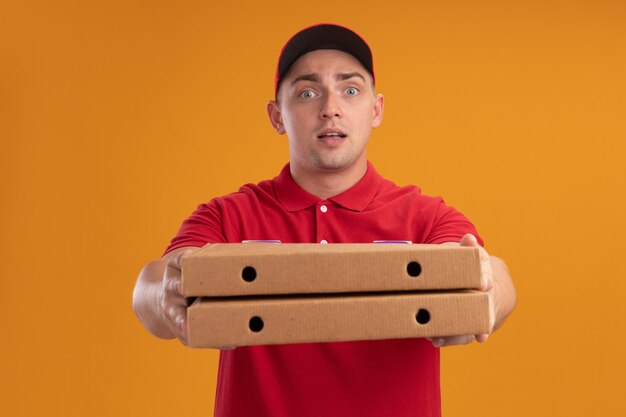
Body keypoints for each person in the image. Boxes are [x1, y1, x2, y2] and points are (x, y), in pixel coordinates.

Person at [132, 23, 516, 417]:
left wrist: (486, 291)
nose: (330, 107)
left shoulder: (425, 217)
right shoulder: (228, 216)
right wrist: (165, 295)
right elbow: (151, 285)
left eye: (350, 90)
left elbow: (496, 274)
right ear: (277, 116)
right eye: (307, 93)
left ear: (376, 109)